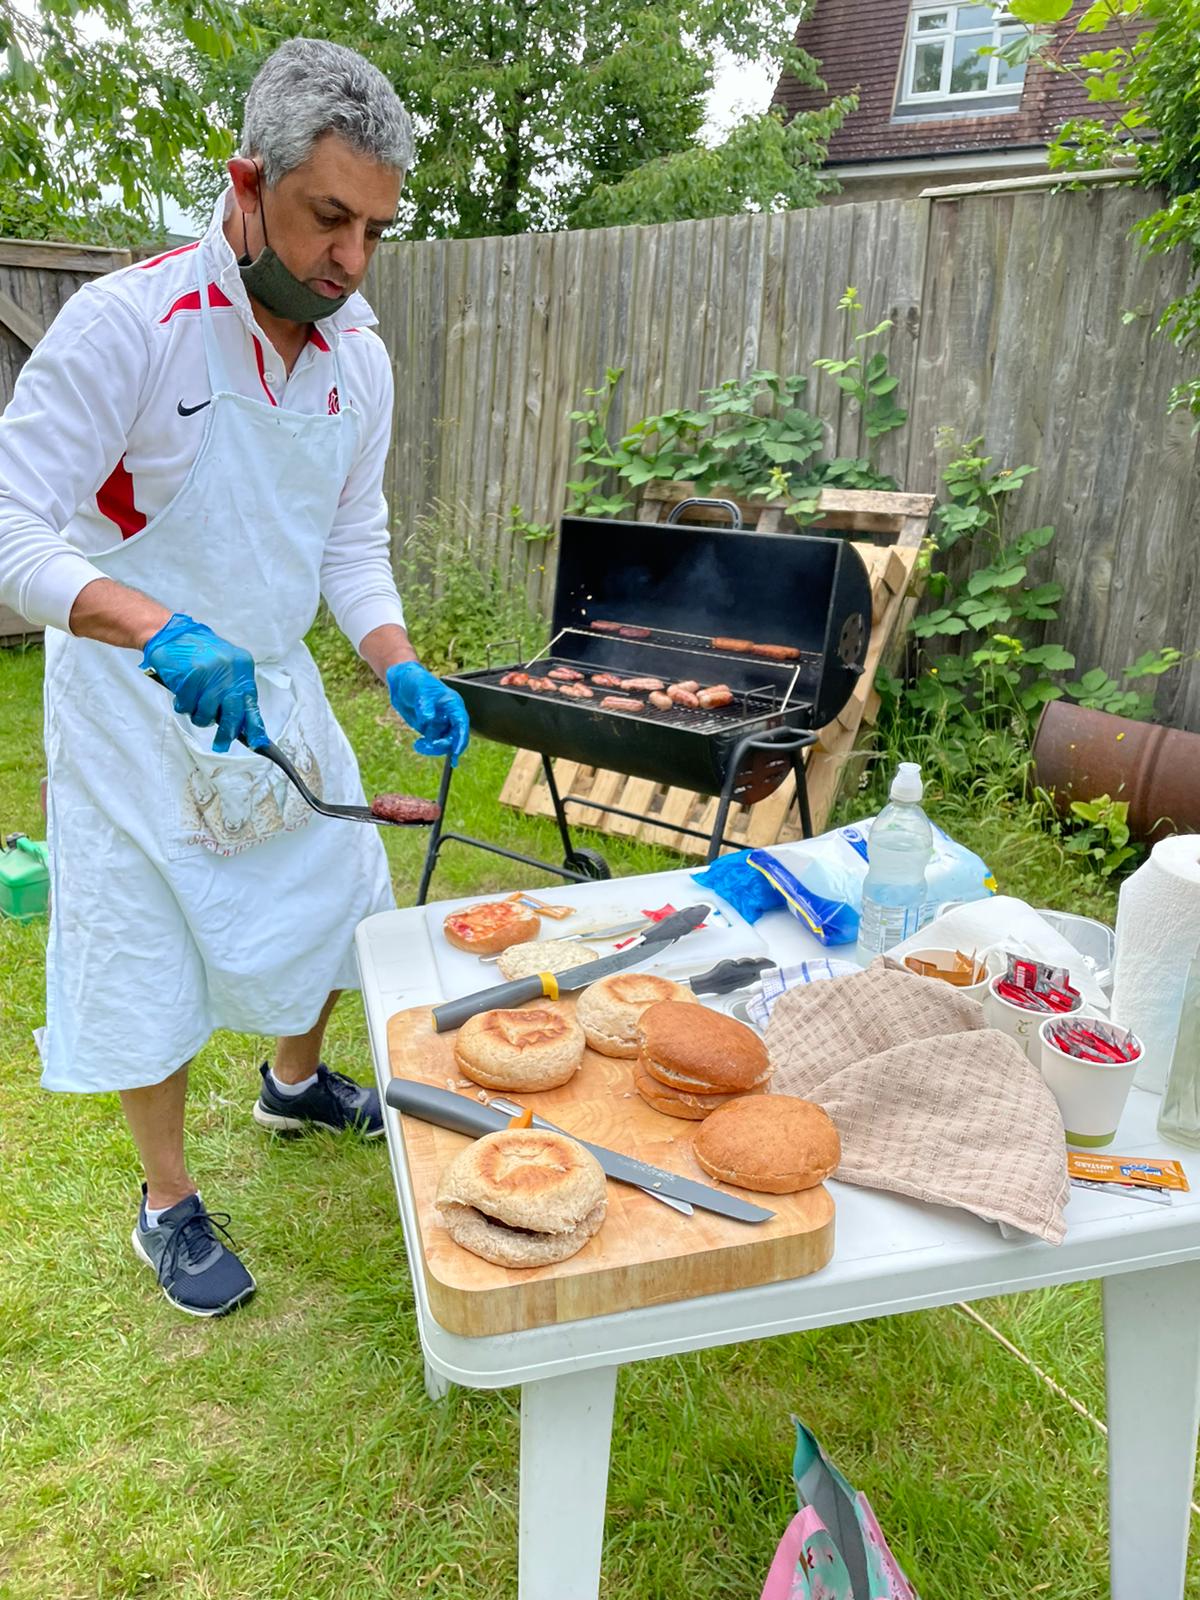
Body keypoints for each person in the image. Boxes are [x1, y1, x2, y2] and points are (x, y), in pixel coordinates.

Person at [0, 39, 469, 1317]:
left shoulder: (355, 356)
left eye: (376, 228)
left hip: (267, 677)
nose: (352, 259)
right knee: (141, 949)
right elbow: (12, 526)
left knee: (337, 884)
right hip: (128, 697)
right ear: (246, 182)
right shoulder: (130, 326)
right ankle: (167, 1205)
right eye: (330, 218)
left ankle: (294, 1081)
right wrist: (152, 624)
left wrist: (398, 660)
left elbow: (349, 543)